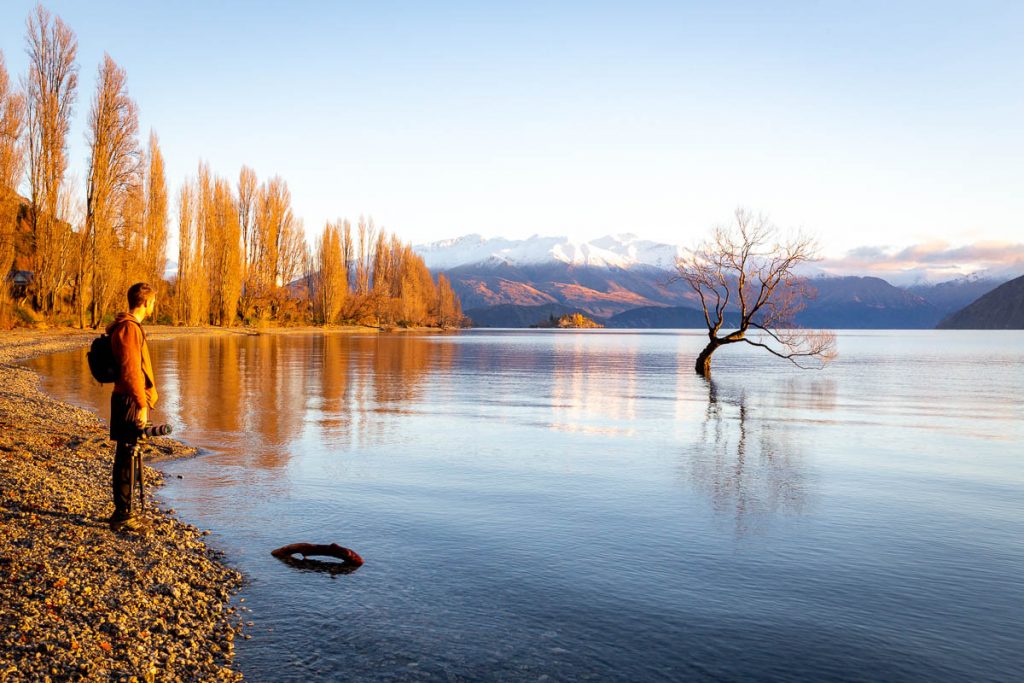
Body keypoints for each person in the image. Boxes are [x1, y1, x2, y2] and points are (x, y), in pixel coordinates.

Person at [107, 282, 159, 532]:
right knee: (127, 455)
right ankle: (123, 516)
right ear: (147, 302)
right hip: (129, 399)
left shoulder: (127, 326)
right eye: (153, 302)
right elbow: (130, 372)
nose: (153, 306)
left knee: (127, 454)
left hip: (126, 398)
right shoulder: (129, 328)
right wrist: (141, 404)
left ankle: (124, 512)